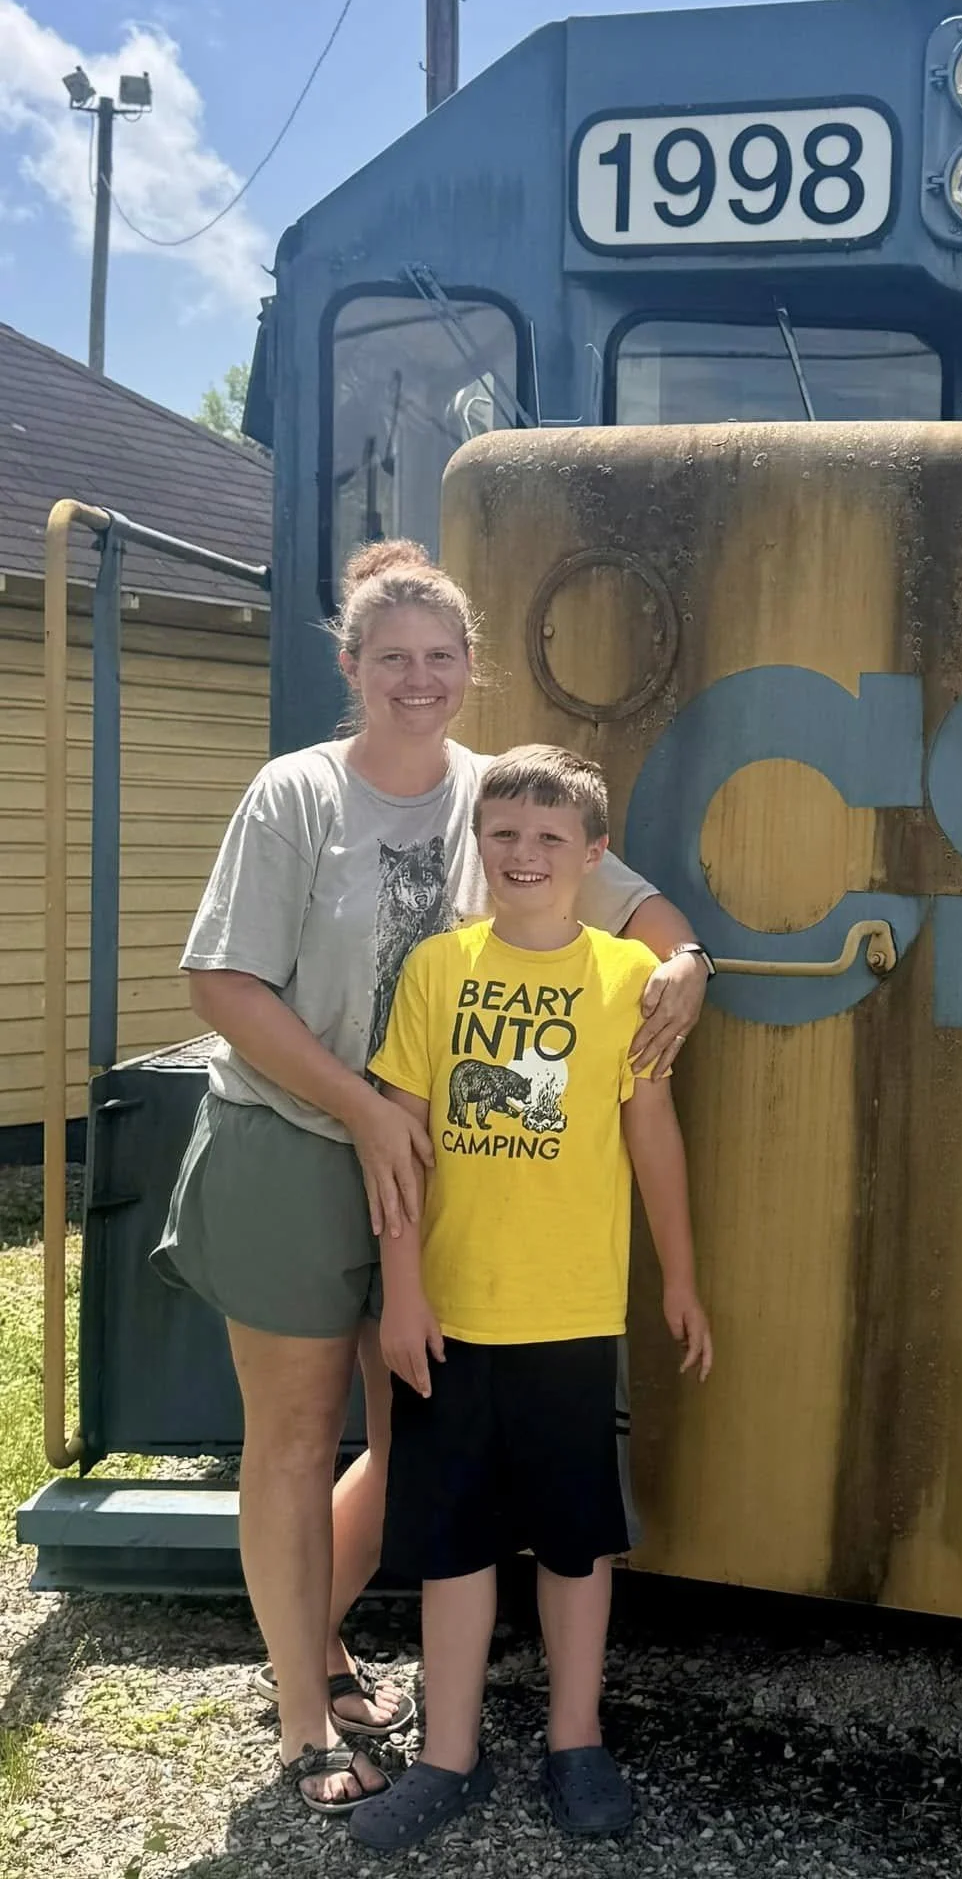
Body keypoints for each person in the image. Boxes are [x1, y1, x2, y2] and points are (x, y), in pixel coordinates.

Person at [154, 542, 712, 1815]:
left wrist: (691, 966)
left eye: (440, 658)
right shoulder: (294, 794)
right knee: (295, 1440)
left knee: (416, 1437)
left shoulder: (495, 795)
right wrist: (358, 1103)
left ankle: (326, 1634)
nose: (417, 678)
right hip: (297, 1145)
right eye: (390, 657)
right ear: (350, 667)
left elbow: (639, 916)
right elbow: (221, 981)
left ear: (471, 670)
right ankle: (306, 1715)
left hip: (446, 1171)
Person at [348, 744, 712, 1851]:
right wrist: (401, 1293)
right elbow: (399, 1143)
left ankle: (574, 1737)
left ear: (592, 854)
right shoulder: (437, 971)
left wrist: (682, 1275)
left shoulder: (623, 979)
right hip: (452, 1317)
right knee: (452, 1546)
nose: (524, 853)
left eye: (550, 837)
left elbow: (650, 1135)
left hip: (573, 1318)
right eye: (503, 832)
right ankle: (447, 1753)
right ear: (480, 843)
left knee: (574, 1544)